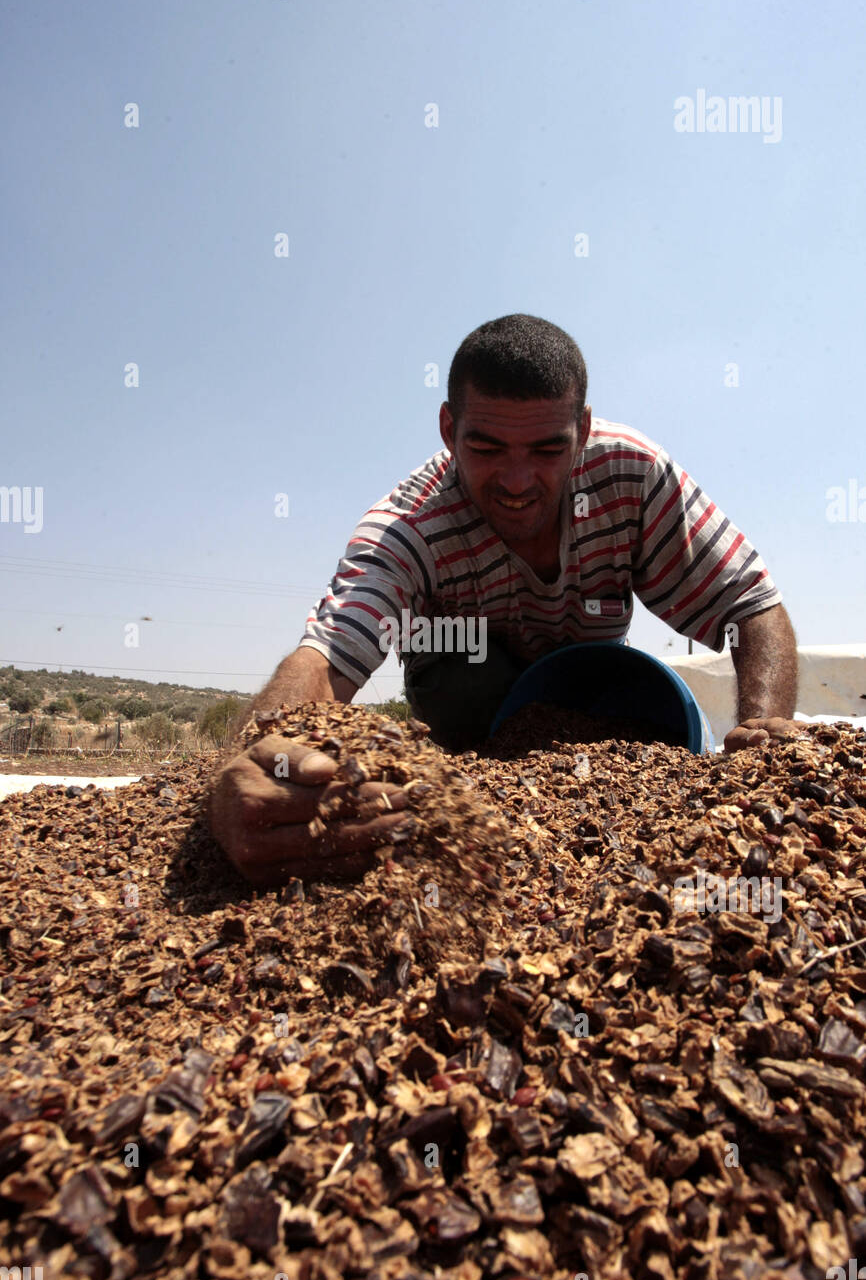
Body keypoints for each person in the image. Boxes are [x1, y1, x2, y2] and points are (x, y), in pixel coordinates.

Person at [210, 314, 798, 887]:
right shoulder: (409, 527)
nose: (517, 482)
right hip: (468, 703)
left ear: (583, 430)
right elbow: (324, 658)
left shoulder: (631, 476)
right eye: (487, 448)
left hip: (595, 685)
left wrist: (764, 734)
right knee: (468, 669)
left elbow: (752, 602)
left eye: (547, 451)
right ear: (448, 430)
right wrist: (259, 762)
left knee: (630, 713)